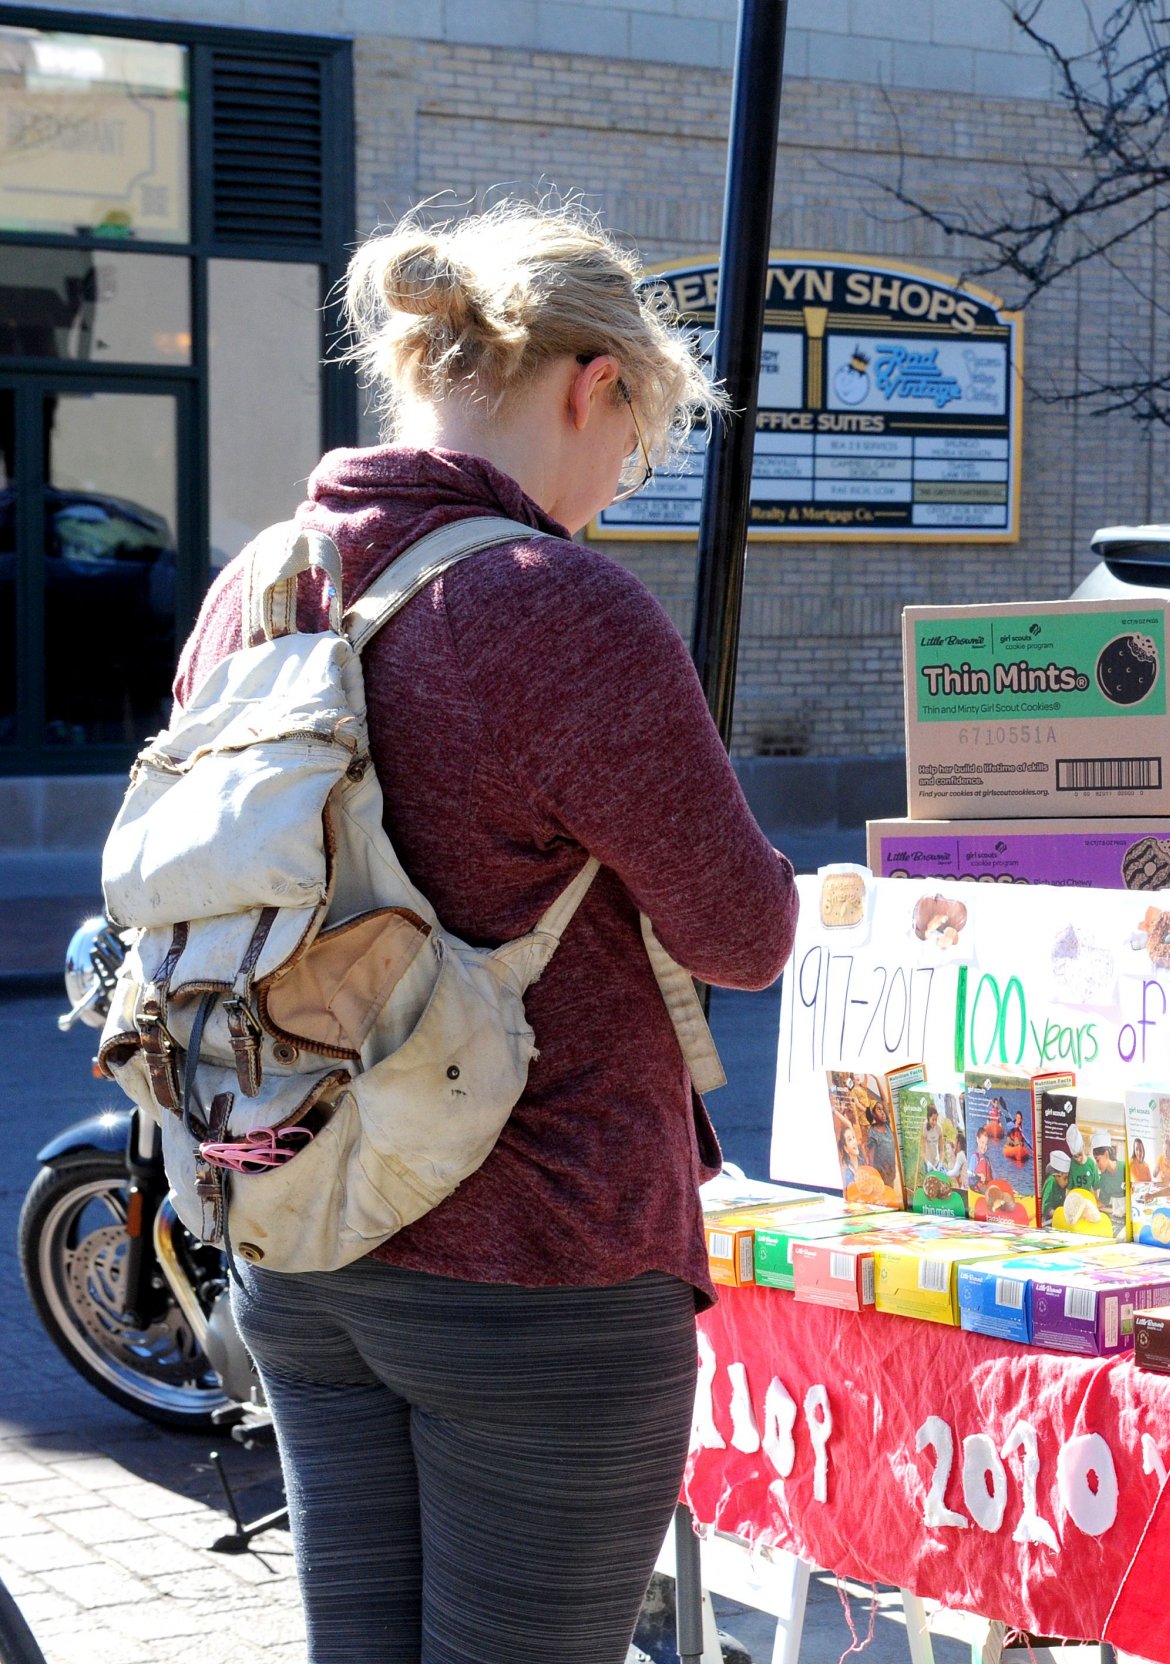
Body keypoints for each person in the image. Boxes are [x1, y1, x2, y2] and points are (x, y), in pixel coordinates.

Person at [191, 201, 799, 1664]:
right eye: (636, 439)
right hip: (541, 1265)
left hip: (305, 1228)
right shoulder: (554, 603)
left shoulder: (260, 584)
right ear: (594, 382)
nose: (615, 485)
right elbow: (742, 935)